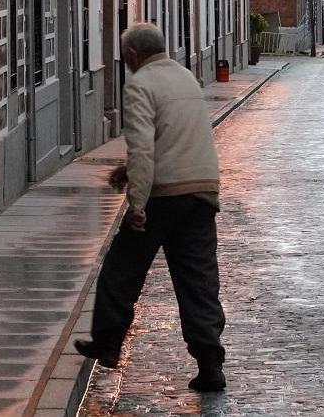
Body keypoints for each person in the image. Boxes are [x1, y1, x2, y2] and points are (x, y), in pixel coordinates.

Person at [74, 23, 227, 392]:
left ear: (130, 56)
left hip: (164, 195)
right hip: (202, 191)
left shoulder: (140, 84)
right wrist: (129, 173)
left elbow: (142, 145)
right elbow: (174, 135)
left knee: (120, 270)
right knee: (199, 282)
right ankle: (210, 365)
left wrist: (137, 202)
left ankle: (108, 345)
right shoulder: (186, 77)